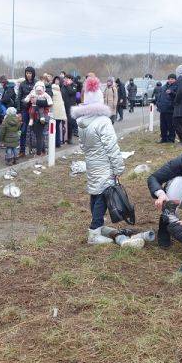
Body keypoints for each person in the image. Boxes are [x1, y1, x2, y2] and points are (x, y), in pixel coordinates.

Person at [71, 76, 125, 244]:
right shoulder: (103, 121)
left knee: (95, 193)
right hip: (104, 164)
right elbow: (112, 147)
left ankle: (98, 225)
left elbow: (82, 145)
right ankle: (94, 232)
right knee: (103, 195)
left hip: (92, 163)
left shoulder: (82, 122)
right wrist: (118, 168)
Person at [24, 81, 52, 156]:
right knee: (39, 134)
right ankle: (42, 151)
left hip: (42, 117)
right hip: (35, 116)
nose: (39, 91)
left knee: (39, 135)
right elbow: (27, 100)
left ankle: (39, 153)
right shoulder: (33, 92)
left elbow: (48, 103)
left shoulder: (47, 92)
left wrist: (36, 101)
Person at [17, 66, 36, 157]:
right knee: (23, 130)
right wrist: (19, 111)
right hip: (24, 109)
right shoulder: (22, 84)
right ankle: (22, 150)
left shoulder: (37, 83)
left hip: (34, 109)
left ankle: (35, 149)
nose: (28, 75)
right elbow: (18, 98)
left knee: (34, 130)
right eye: (27, 73)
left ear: (33, 74)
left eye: (30, 73)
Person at [157, 74, 177, 143]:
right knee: (163, 125)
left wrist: (171, 92)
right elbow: (160, 96)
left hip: (170, 109)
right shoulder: (163, 87)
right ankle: (164, 138)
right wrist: (158, 104)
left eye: (172, 79)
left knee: (170, 125)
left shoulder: (176, 87)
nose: (170, 80)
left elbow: (177, 96)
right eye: (169, 79)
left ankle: (171, 139)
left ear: (175, 80)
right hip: (162, 109)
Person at [61, 74, 78, 144]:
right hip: (63, 106)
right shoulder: (63, 86)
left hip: (70, 106)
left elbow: (72, 92)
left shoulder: (74, 86)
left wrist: (68, 85)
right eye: (65, 78)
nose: (65, 80)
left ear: (71, 79)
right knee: (62, 123)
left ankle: (69, 138)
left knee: (70, 122)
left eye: (67, 78)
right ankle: (62, 138)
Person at [50, 78, 67, 148]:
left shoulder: (52, 89)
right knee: (57, 127)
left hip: (55, 111)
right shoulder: (61, 90)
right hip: (60, 112)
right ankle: (58, 143)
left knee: (54, 127)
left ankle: (55, 143)